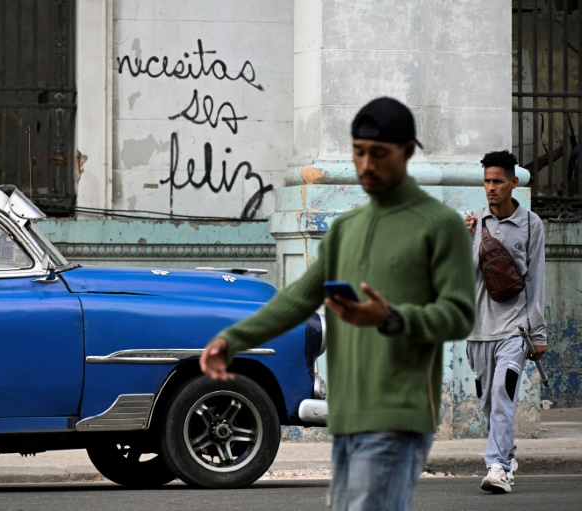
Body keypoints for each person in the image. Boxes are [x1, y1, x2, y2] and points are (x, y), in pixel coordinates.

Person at [200, 97, 476, 511]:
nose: (365, 165)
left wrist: (391, 317)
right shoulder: (346, 229)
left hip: (399, 410)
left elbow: (459, 315)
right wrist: (233, 340)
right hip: (347, 413)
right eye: (359, 152)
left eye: (378, 154)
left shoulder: (441, 225)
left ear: (407, 151)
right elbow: (297, 299)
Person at [464, 150, 547, 494]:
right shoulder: (473, 223)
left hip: (515, 331)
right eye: (487, 181)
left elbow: (535, 281)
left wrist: (538, 333)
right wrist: (470, 239)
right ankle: (508, 454)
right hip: (478, 331)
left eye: (498, 181)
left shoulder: (531, 225)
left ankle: (498, 467)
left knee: (502, 394)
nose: (491, 188)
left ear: (514, 183)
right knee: (488, 403)